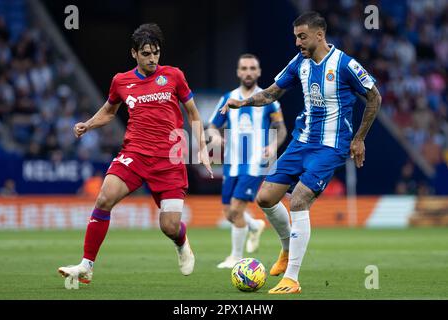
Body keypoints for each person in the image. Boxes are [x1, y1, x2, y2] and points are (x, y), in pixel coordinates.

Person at [221, 11, 382, 294]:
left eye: (302, 36)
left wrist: (359, 139)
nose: (297, 42)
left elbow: (374, 97)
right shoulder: (300, 63)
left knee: (299, 200)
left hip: (331, 146)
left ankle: (292, 278)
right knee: (265, 197)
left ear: (320, 35)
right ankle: (286, 249)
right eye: (295, 36)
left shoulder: (345, 65)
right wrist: (243, 102)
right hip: (301, 141)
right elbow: (271, 93)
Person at [58, 23, 212, 285]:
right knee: (104, 198)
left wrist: (204, 149)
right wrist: (88, 124)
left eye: (156, 52)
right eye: (146, 53)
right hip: (135, 154)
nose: (152, 58)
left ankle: (182, 241)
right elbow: (109, 111)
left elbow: (193, 113)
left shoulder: (173, 76)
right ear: (134, 53)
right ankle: (86, 265)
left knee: (169, 227)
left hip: (169, 159)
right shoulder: (121, 81)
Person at [208, 54, 287, 268]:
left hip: (254, 164)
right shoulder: (227, 98)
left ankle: (235, 257)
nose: (249, 71)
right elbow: (213, 125)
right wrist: (214, 135)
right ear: (238, 72)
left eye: (253, 67)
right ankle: (254, 225)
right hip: (232, 163)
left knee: (235, 210)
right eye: (244, 68)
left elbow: (281, 129)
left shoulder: (268, 99)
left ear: (259, 72)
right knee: (229, 213)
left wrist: (272, 146)